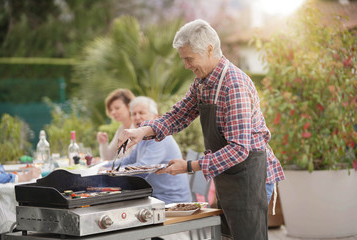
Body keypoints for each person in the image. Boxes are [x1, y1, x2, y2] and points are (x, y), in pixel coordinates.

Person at [117, 19, 285, 240]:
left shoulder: (234, 86)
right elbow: (178, 115)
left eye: (189, 59)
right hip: (229, 175)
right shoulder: (202, 82)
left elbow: (239, 149)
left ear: (209, 50)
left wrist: (189, 166)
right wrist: (143, 131)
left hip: (250, 176)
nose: (186, 65)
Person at [104, 96, 192, 204]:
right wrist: (104, 167)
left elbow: (142, 170)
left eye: (141, 113)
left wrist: (110, 173)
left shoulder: (161, 138)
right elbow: (130, 160)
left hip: (171, 201)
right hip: (154, 196)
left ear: (155, 117)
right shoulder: (144, 137)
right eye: (134, 114)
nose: (137, 117)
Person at [97, 89, 135, 160]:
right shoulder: (121, 129)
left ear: (129, 107)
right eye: (111, 109)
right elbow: (108, 157)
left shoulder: (138, 128)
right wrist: (104, 143)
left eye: (117, 108)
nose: (113, 112)